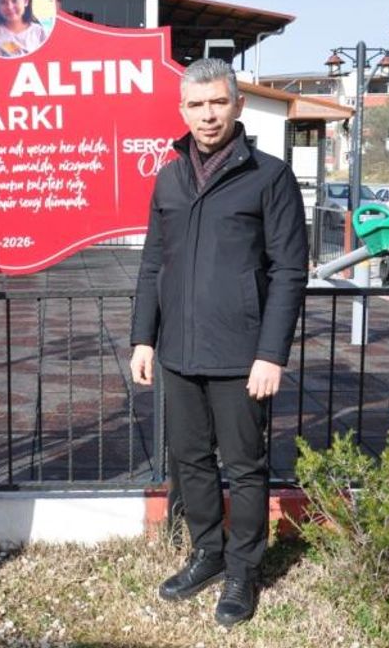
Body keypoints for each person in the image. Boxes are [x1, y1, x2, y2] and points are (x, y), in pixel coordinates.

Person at [129, 58, 308, 627]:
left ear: (238, 105)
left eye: (217, 102)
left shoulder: (269, 177)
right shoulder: (169, 178)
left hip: (241, 354)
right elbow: (153, 263)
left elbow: (289, 271)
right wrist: (143, 338)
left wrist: (271, 353)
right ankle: (207, 552)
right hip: (178, 351)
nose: (208, 115)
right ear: (182, 110)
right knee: (190, 459)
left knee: (246, 466)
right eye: (196, 104)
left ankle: (243, 570)